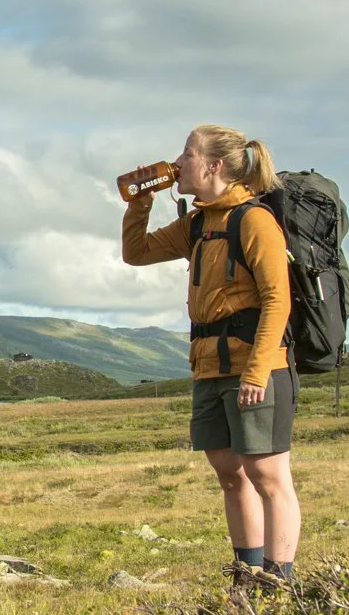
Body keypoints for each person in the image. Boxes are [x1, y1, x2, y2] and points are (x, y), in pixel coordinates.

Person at [122, 126, 302, 583]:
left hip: (256, 366)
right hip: (209, 366)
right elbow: (137, 253)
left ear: (213, 165)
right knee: (229, 472)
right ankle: (247, 574)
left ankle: (279, 583)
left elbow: (278, 300)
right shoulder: (199, 223)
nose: (177, 162)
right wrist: (139, 202)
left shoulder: (253, 220)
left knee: (267, 474)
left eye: (188, 153)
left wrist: (258, 372)